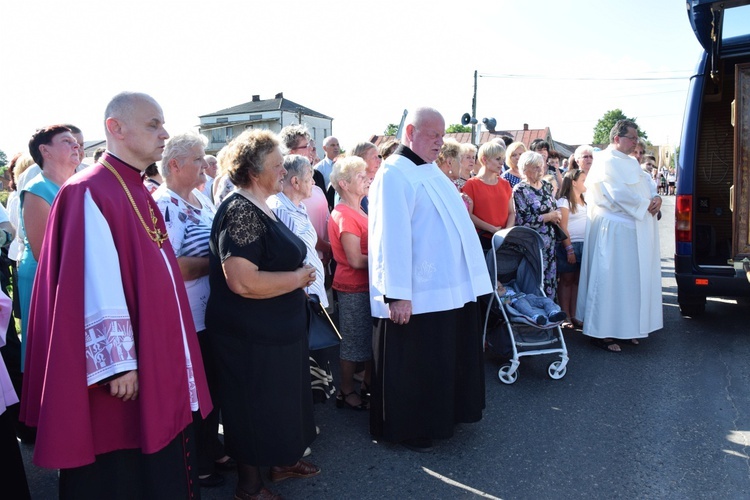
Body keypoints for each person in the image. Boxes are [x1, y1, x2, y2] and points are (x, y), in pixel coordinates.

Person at [20, 91, 212, 498]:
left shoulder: (137, 186)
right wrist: (117, 364)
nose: (164, 133)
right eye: (153, 124)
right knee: (119, 464)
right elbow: (92, 279)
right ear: (116, 128)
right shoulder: (89, 189)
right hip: (121, 373)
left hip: (155, 351)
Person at [368, 107, 492, 452]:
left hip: (447, 289)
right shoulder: (394, 173)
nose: (441, 141)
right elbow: (389, 237)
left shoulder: (427, 170)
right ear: (411, 131)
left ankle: (443, 414)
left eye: (442, 135)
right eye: (433, 135)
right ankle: (410, 426)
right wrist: (397, 294)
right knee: (415, 363)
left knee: (440, 357)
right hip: (416, 292)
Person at [205, 129, 319, 499]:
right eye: (277, 165)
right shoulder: (240, 209)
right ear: (254, 171)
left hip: (273, 333)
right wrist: (298, 277)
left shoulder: (261, 204)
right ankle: (250, 488)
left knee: (275, 405)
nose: (284, 170)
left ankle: (280, 463)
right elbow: (241, 280)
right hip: (250, 337)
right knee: (252, 408)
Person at [153, 132, 230, 488]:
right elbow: (172, 267)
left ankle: (210, 448)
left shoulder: (199, 197)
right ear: (174, 165)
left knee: (212, 385)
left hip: (208, 312)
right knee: (195, 390)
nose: (205, 164)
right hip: (187, 317)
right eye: (198, 158)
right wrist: (219, 264)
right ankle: (198, 460)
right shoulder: (163, 205)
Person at [576, 119, 663, 352]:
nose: (636, 142)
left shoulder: (629, 161)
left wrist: (656, 198)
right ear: (617, 138)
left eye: (636, 138)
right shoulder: (606, 161)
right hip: (613, 230)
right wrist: (646, 205)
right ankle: (601, 333)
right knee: (609, 281)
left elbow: (645, 184)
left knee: (628, 282)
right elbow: (618, 193)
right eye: (632, 138)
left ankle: (626, 329)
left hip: (631, 228)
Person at [18, 125, 81, 372]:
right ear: (45, 151)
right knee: (49, 355)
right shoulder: (37, 190)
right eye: (67, 141)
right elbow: (43, 252)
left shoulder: (78, 185)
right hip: (45, 280)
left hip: (73, 276)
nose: (76, 145)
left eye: (76, 141)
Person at [328, 156, 371, 411]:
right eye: (360, 175)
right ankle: (345, 390)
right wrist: (385, 260)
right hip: (353, 286)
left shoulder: (358, 208)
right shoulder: (345, 213)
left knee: (365, 340)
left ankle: (366, 384)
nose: (366, 178)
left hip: (364, 285)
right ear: (344, 183)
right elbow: (354, 259)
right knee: (354, 342)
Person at [267, 154, 328, 307]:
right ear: (295, 181)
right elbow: (286, 261)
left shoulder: (298, 206)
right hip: (303, 300)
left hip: (313, 294)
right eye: (310, 177)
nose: (314, 182)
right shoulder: (280, 210)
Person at [513, 151, 561, 300]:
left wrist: (556, 215)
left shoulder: (546, 185)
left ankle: (551, 315)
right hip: (533, 245)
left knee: (550, 280)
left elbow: (552, 206)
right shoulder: (520, 190)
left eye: (541, 166)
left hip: (550, 244)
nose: (540, 170)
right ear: (525, 168)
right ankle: (536, 316)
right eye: (535, 167)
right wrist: (548, 217)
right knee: (535, 280)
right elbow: (522, 220)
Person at [461, 141, 515, 249]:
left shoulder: (505, 184)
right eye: (497, 159)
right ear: (484, 159)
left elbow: (511, 213)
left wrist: (506, 232)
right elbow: (468, 215)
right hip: (482, 240)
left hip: (504, 241)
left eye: (503, 159)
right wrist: (492, 229)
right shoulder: (471, 184)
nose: (501, 163)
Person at [556, 169, 587, 328]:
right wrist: (569, 249)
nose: (585, 182)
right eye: (583, 180)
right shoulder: (564, 201)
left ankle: (575, 314)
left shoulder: (585, 200)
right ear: (574, 182)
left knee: (577, 281)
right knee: (566, 281)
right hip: (570, 245)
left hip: (584, 245)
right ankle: (565, 315)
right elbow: (563, 227)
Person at [496, 281, 566, 325]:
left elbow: (517, 291)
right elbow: (504, 303)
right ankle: (536, 317)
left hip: (527, 297)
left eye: (501, 286)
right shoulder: (500, 298)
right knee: (524, 307)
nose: (501, 288)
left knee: (545, 300)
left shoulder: (509, 288)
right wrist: (501, 295)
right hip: (516, 300)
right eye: (498, 288)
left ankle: (553, 313)